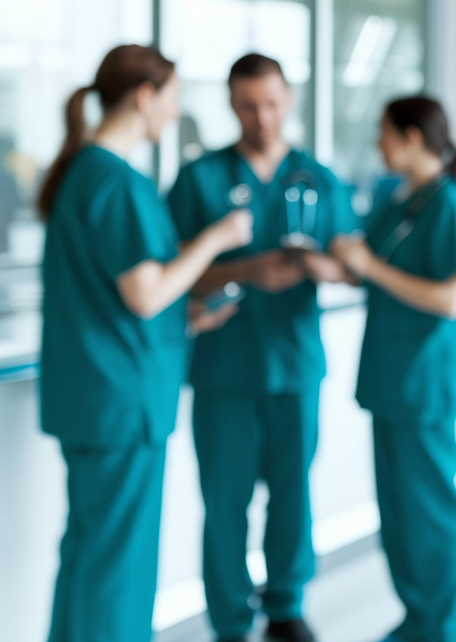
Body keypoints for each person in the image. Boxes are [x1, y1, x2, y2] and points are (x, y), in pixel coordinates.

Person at [38, 45, 252, 642]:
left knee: (89, 552)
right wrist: (215, 239)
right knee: (118, 566)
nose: (175, 112)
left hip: (96, 395)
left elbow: (115, 299)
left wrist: (184, 323)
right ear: (145, 96)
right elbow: (143, 293)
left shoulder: (85, 173)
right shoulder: (116, 180)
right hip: (121, 403)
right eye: (175, 97)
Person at [166, 53, 355, 642]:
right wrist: (246, 268)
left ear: (288, 100)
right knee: (225, 502)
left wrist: (321, 266)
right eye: (248, 105)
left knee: (292, 495)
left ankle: (285, 606)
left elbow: (351, 263)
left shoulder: (317, 178)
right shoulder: (201, 178)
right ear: (230, 103)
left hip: (295, 365)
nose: (261, 117)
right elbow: (168, 273)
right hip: (225, 371)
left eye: (271, 103)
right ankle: (228, 619)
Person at [328, 96, 456, 642]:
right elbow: (365, 265)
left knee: (429, 515)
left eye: (385, 133)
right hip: (390, 382)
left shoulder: (449, 206)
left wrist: (368, 265)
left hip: (423, 383)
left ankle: (446, 629)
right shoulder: (402, 202)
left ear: (414, 137)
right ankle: (420, 622)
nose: (378, 144)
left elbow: (451, 298)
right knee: (398, 516)